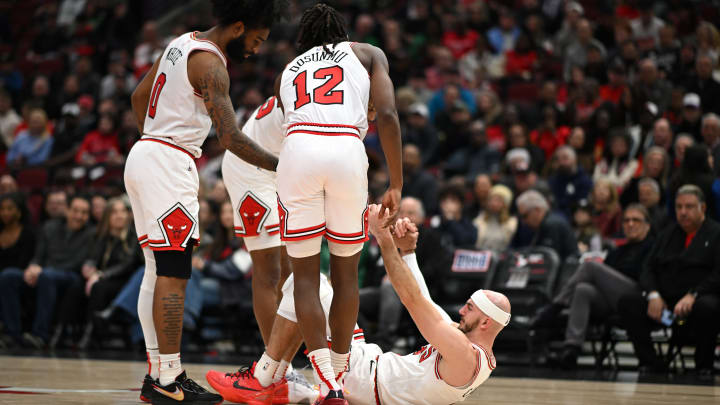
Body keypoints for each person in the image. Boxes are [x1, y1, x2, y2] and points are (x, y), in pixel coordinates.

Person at [123, 1, 283, 403]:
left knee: (156, 270)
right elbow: (230, 138)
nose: (257, 49)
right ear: (239, 27)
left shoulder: (180, 42)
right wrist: (282, 166)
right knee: (174, 272)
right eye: (257, 39)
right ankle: (169, 380)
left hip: (144, 154)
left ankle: (160, 375)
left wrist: (156, 139)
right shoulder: (212, 65)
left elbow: (138, 97)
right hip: (167, 162)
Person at [209, 205, 510, 405]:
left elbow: (412, 299)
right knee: (310, 288)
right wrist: (408, 254)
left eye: (469, 307)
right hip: (367, 375)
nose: (461, 310)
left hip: (364, 377)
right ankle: (286, 384)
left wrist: (383, 238)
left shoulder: (463, 354)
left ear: (486, 322)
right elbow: (426, 300)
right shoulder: (476, 354)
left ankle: (265, 376)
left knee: (309, 283)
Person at [273, 4, 402, 403]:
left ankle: (326, 382)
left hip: (298, 151)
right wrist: (396, 182)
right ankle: (341, 375)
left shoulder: (289, 69)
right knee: (347, 273)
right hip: (346, 148)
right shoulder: (366, 53)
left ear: (305, 38)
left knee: (306, 278)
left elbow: (287, 122)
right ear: (342, 31)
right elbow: (389, 114)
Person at [536, 204, 655, 368]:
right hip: (612, 300)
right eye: (626, 220)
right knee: (583, 289)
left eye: (636, 220)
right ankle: (571, 349)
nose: (630, 224)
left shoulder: (652, 247)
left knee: (590, 266)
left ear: (647, 225)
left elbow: (648, 277)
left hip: (636, 297)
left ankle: (555, 307)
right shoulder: (617, 251)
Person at [618, 185, 720, 376]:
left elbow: (717, 274)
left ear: (703, 208)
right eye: (679, 207)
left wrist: (694, 294)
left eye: (689, 207)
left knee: (708, 307)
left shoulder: (715, 233)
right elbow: (647, 268)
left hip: (697, 303)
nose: (683, 212)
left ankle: (703, 365)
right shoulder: (667, 233)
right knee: (628, 302)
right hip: (666, 310)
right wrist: (653, 295)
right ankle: (651, 363)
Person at [221, 96, 290, 347]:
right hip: (251, 168)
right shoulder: (310, 96)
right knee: (270, 271)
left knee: (292, 271)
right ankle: (273, 364)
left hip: (278, 167)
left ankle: (285, 361)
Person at [0, 195, 93, 348]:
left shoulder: (91, 234)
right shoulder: (49, 227)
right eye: (75, 211)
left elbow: (78, 263)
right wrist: (33, 267)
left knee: (47, 276)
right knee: (8, 276)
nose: (79, 216)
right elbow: (39, 255)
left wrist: (42, 270)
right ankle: (12, 333)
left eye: (84, 213)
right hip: (44, 273)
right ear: (67, 211)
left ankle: (40, 334)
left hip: (71, 277)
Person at [512, 190, 578, 261]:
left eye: (525, 216)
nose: (523, 221)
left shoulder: (552, 225)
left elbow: (548, 258)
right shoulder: (546, 222)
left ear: (537, 210)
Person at [473, 184, 517, 252]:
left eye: (498, 200)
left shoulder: (512, 223)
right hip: (481, 256)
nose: (494, 203)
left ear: (505, 204)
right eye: (492, 199)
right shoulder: (479, 220)